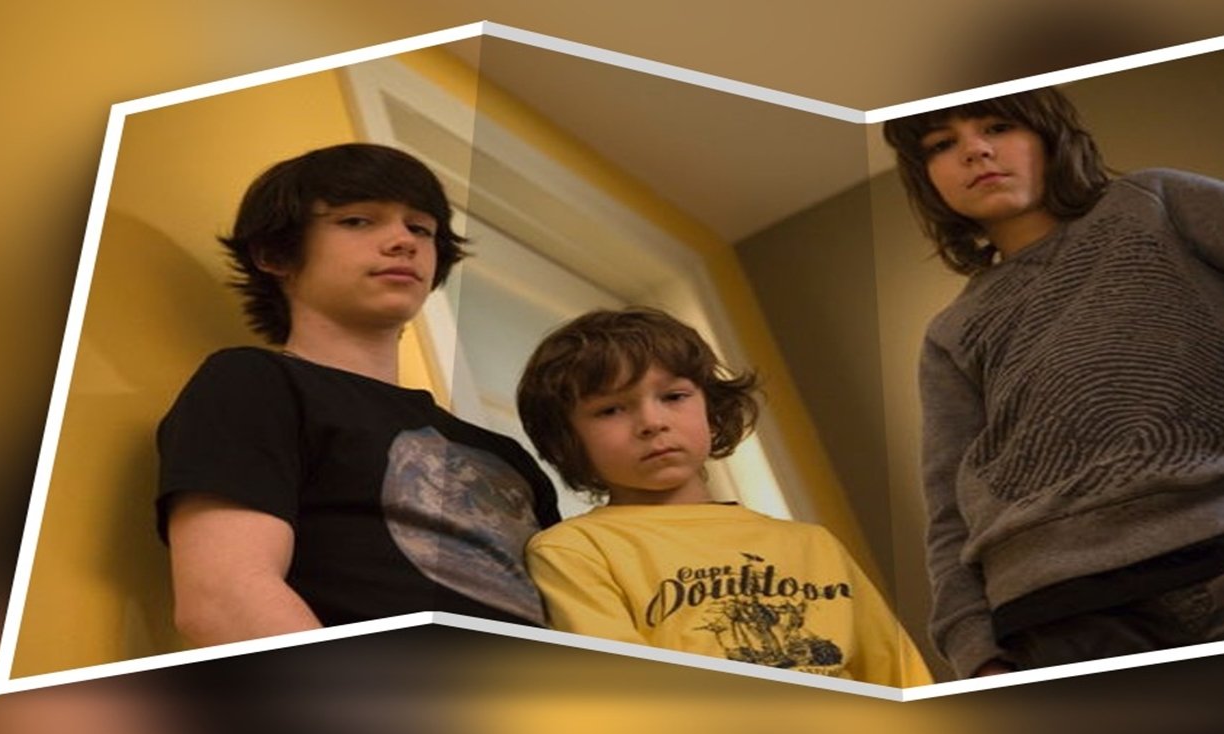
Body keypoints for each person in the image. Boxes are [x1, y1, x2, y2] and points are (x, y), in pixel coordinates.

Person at [881, 88, 1224, 678]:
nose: (975, 151)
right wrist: (974, 654)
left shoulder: (1156, 202)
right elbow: (949, 513)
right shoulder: (950, 333)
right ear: (927, 178)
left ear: (1049, 137)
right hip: (1057, 614)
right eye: (943, 145)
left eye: (996, 126)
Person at [156, 143, 558, 647]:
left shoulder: (508, 456)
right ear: (275, 253)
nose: (402, 242)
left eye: (421, 228)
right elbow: (224, 598)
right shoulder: (252, 383)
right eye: (358, 221)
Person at [515, 307, 932, 687]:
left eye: (674, 397)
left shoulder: (814, 544)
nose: (652, 422)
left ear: (711, 411)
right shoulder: (572, 551)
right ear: (568, 441)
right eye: (610, 410)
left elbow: (901, 677)